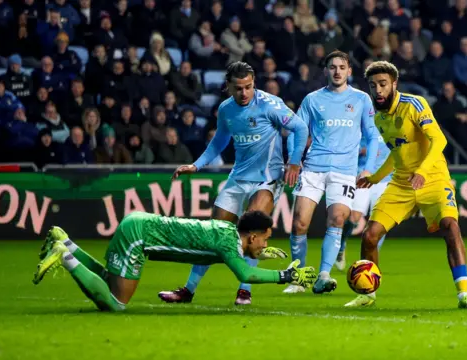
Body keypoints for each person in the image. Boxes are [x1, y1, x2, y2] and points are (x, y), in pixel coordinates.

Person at [159, 61, 309, 305]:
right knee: (213, 235)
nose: (244, 93)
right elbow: (219, 141)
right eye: (238, 88)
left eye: (248, 87)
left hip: (267, 178)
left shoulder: (270, 105)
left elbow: (300, 128)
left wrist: (293, 162)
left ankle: (245, 290)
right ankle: (188, 290)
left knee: (253, 230)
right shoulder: (226, 109)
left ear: (254, 84)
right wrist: (196, 165)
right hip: (238, 177)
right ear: (228, 86)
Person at [345, 61, 467, 309]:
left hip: (433, 178)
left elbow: (438, 140)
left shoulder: (414, 104)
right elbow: (395, 152)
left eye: (383, 84)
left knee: (450, 227)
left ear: (394, 84)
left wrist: (421, 171)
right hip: (401, 184)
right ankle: (368, 294)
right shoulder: (379, 118)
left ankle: (464, 294)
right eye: (373, 85)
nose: (378, 90)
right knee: (370, 236)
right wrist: (375, 178)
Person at [33, 211, 317, 312]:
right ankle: (65, 257)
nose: (266, 245)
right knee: (116, 304)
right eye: (265, 240)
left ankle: (65, 242)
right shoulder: (229, 243)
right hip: (140, 235)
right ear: (252, 236)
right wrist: (286, 276)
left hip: (139, 224)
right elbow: (246, 274)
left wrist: (261, 253)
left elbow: (241, 254)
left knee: (110, 281)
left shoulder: (229, 233)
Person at [284, 50, 379, 294]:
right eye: (332, 67)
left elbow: (372, 136)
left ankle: (323, 275)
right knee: (299, 224)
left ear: (349, 71)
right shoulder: (312, 100)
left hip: (345, 172)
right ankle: (299, 278)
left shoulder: (361, 100)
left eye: (342, 67)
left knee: (337, 219)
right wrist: (295, 160)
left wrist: (368, 168)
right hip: (314, 169)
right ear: (326, 71)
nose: (337, 71)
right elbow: (298, 131)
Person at [335, 133, 390, 271]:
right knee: (353, 218)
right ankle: (341, 246)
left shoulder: (393, 123)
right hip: (363, 177)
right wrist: (361, 150)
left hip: (385, 179)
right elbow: (349, 144)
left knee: (380, 221)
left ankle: (370, 260)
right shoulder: (366, 120)